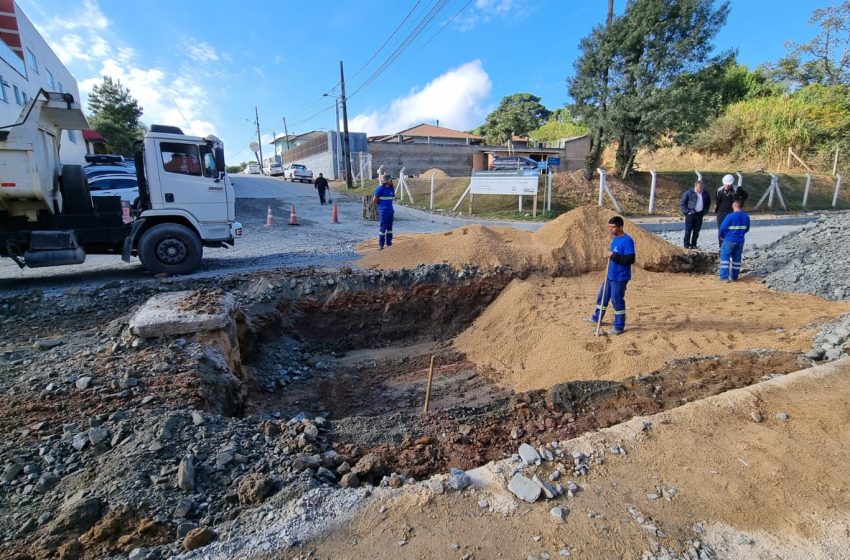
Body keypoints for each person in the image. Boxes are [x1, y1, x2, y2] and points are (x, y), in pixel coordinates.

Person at [586, 216, 636, 335]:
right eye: (609, 227)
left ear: (620, 226)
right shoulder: (614, 239)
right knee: (602, 297)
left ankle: (619, 326)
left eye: (613, 227)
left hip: (620, 277)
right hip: (610, 275)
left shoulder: (627, 240)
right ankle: (597, 318)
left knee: (616, 300)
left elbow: (631, 259)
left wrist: (614, 256)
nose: (610, 229)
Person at [718, 199, 750, 282]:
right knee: (737, 259)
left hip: (729, 239)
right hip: (740, 240)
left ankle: (724, 277)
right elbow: (747, 229)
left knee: (725, 258)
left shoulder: (730, 216)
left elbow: (722, 228)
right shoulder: (746, 216)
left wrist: (722, 236)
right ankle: (734, 277)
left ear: (734, 206)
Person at [715, 174, 748, 245]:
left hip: (732, 212)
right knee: (721, 228)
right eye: (725, 184)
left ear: (732, 183)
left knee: (730, 228)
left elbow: (745, 196)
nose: (726, 186)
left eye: (728, 185)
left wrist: (739, 202)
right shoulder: (719, 190)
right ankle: (721, 245)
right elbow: (717, 200)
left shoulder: (737, 189)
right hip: (721, 212)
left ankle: (730, 243)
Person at [679, 180, 711, 249]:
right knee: (688, 231)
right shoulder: (688, 193)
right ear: (695, 186)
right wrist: (687, 212)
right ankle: (686, 245)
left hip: (699, 214)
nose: (699, 190)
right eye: (698, 188)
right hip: (690, 214)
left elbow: (708, 204)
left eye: (701, 188)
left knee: (696, 231)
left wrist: (704, 212)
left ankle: (694, 244)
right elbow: (682, 203)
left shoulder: (706, 194)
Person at [372, 173, 395, 250]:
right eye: (390, 179)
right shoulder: (380, 189)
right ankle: (381, 245)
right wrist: (381, 206)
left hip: (391, 211)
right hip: (383, 212)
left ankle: (389, 243)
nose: (391, 181)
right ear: (386, 181)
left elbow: (391, 198)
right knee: (383, 229)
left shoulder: (391, 188)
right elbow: (374, 200)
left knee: (390, 228)